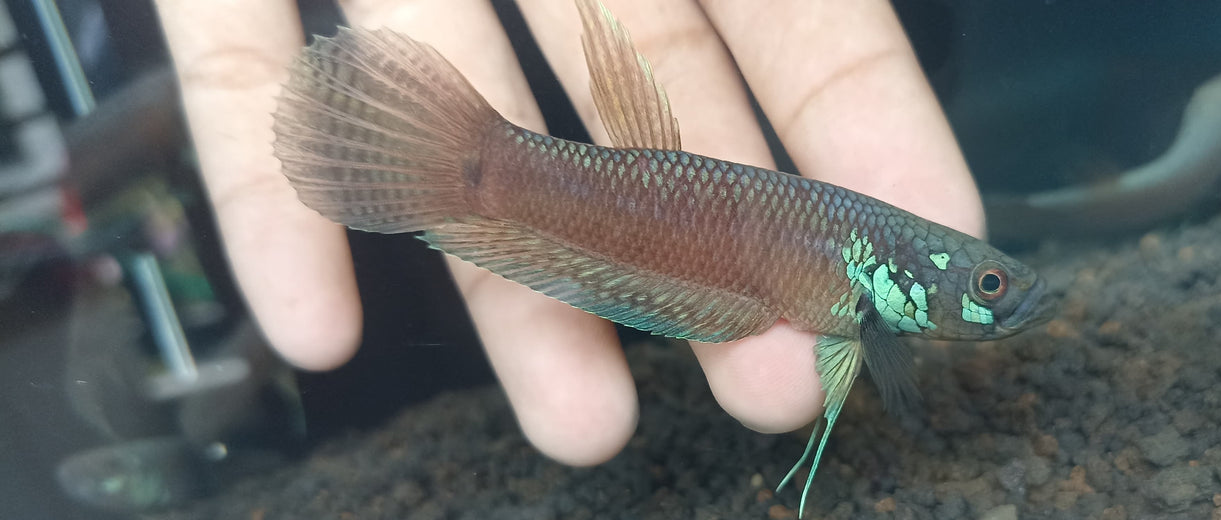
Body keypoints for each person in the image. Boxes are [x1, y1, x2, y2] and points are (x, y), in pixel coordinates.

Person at [152, 0, 987, 468]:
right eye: (986, 284)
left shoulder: (865, 289)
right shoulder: (868, 278)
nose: (996, 293)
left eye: (991, 286)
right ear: (916, 271)